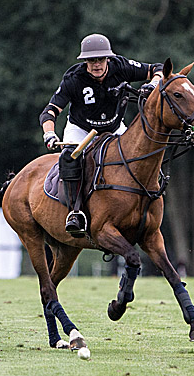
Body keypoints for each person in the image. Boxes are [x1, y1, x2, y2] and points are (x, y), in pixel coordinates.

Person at [40, 33, 164, 237]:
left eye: (100, 59)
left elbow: (156, 68)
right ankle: (75, 212)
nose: (96, 64)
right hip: (81, 130)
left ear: (108, 58)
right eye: (91, 60)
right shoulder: (73, 79)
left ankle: (147, 202)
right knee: (70, 159)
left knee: (142, 152)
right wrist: (50, 134)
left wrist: (153, 84)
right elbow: (50, 111)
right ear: (85, 61)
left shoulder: (121, 67)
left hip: (114, 128)